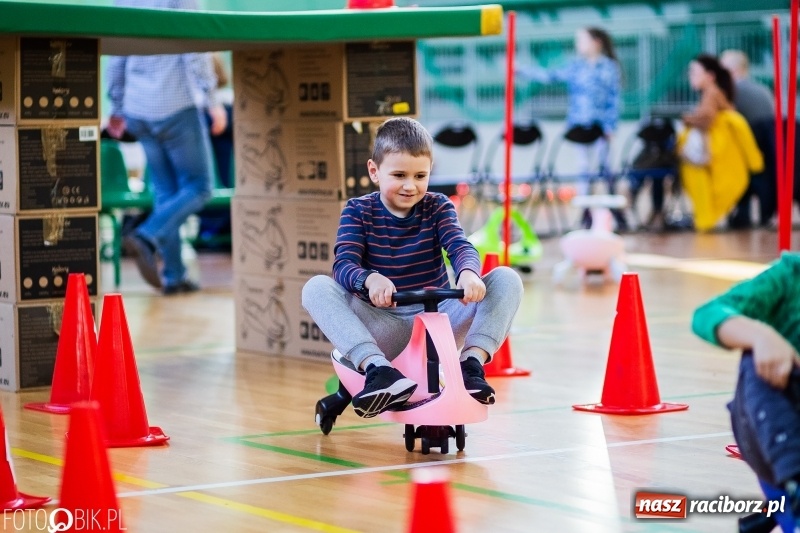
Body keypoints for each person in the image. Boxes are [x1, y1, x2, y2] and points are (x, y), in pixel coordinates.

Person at [302, 117, 523, 419]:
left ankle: (470, 365)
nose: (410, 185)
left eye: (420, 175)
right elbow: (344, 265)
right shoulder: (358, 210)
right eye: (399, 175)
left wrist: (468, 272)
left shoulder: (438, 206)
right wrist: (369, 279)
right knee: (316, 287)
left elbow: (459, 246)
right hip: (383, 324)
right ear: (374, 171)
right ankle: (378, 370)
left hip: (438, 321)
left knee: (507, 279)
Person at [106, 0, 227, 294]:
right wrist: (212, 101)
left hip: (138, 110)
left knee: (167, 192)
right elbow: (193, 48)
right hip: (176, 107)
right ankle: (148, 234)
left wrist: (117, 105)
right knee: (199, 187)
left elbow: (117, 57)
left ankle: (174, 275)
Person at [692, 253, 800, 532]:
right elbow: (708, 314)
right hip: (780, 431)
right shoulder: (789, 278)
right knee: (756, 358)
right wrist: (761, 336)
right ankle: (794, 484)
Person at [516, 27, 624, 229]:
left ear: (596, 42)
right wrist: (521, 70)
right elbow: (550, 76)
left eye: (582, 40)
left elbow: (614, 99)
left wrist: (610, 127)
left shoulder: (609, 67)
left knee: (606, 169)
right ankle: (586, 214)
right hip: (578, 128)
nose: (579, 44)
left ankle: (615, 214)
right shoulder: (576, 67)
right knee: (583, 169)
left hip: (601, 129)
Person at [678, 54, 763, 232]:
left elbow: (707, 118)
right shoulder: (716, 92)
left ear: (710, 76)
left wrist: (686, 119)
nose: (691, 76)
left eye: (694, 72)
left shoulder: (711, 93)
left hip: (718, 153)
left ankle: (706, 219)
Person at [720, 50, 777, 229]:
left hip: (746, 151)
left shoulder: (732, 92)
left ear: (735, 69)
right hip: (768, 149)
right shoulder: (764, 90)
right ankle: (763, 215)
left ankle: (739, 213)